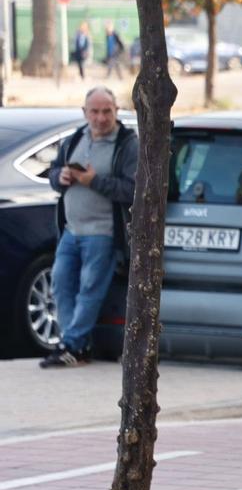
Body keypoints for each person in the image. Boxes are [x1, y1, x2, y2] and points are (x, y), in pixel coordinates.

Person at [42, 86, 138, 367]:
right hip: (71, 231)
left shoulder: (126, 144)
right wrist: (60, 176)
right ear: (85, 113)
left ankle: (72, 345)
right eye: (94, 112)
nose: (100, 118)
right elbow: (52, 173)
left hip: (103, 233)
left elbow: (132, 189)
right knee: (60, 284)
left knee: (89, 290)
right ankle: (76, 345)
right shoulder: (75, 139)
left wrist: (94, 181)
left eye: (106, 111)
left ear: (116, 111)